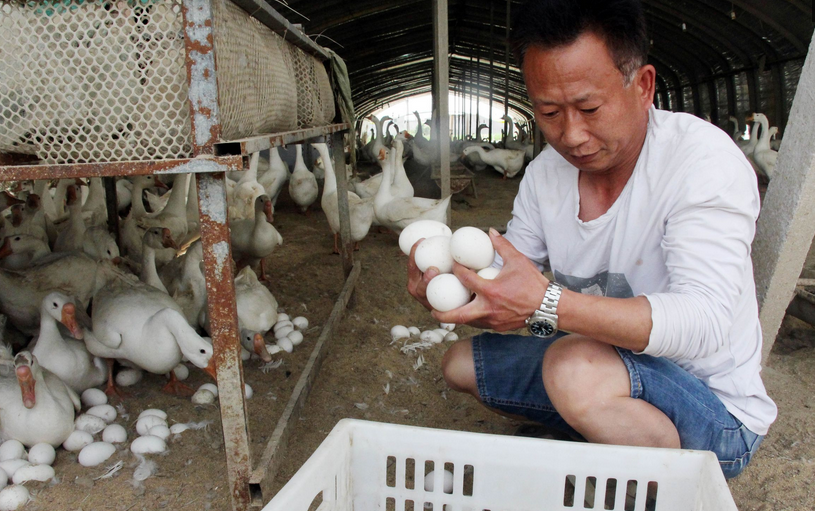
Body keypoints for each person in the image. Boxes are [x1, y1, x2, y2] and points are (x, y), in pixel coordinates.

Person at [406, 0, 776, 479]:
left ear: (643, 86)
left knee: (573, 368)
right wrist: (458, 286)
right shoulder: (546, 175)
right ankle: (599, 431)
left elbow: (705, 322)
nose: (572, 135)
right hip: (602, 365)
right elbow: (507, 278)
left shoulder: (701, 163)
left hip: (712, 409)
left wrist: (547, 305)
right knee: (461, 364)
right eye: (549, 112)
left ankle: (658, 484)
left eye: (589, 108)